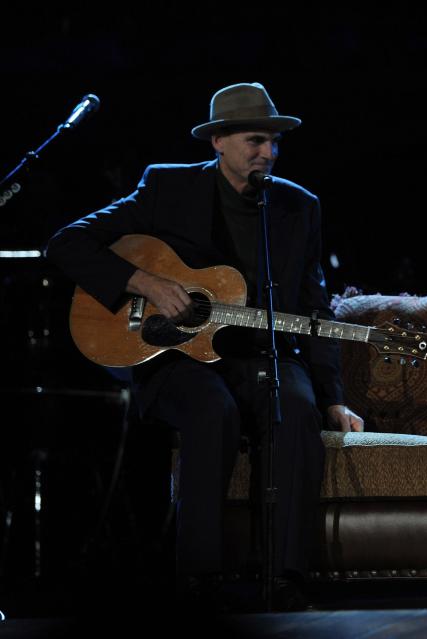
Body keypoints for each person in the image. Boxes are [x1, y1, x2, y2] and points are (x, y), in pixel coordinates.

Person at [45, 82, 363, 611]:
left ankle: (285, 579)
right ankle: (200, 582)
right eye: (256, 141)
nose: (269, 153)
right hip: (175, 355)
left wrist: (333, 393)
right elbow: (67, 242)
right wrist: (144, 283)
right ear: (218, 140)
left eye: (274, 143)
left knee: (296, 409)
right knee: (211, 409)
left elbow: (315, 308)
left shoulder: (297, 207)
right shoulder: (167, 189)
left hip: (264, 356)